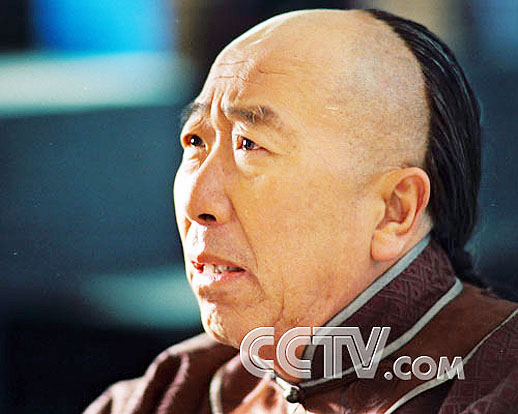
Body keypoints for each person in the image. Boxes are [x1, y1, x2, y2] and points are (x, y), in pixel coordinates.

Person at [85, 8, 518, 414]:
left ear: (393, 211)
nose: (199, 203)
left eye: (249, 144)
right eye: (196, 141)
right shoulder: (172, 391)